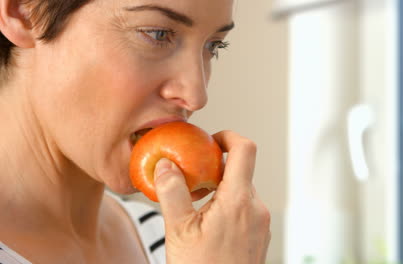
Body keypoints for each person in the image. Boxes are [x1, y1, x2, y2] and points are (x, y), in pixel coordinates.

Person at [0, 0, 271, 263]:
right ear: (25, 10)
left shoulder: (177, 243)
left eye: (214, 46)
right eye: (157, 34)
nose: (197, 95)